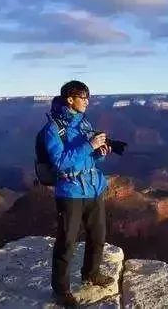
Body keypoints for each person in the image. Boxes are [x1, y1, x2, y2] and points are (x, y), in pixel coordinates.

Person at [41, 80, 115, 306]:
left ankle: (91, 273)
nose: (87, 101)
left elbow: (89, 158)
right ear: (70, 99)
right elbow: (60, 163)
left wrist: (100, 151)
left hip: (93, 188)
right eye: (83, 97)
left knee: (98, 236)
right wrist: (89, 146)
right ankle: (60, 290)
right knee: (67, 242)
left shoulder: (84, 123)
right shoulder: (52, 129)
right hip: (70, 192)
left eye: (88, 97)